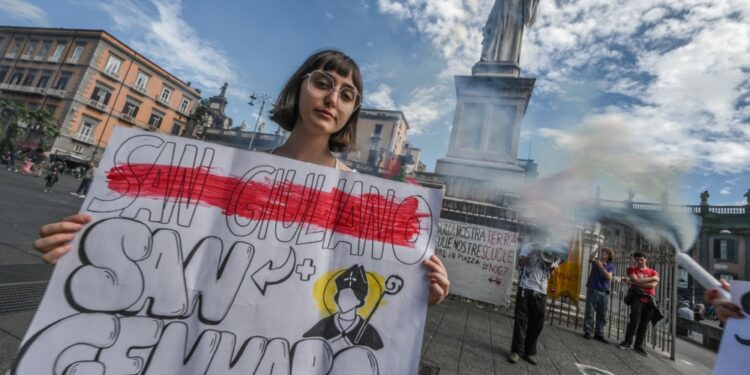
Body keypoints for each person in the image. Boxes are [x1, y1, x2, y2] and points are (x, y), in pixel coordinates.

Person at [31, 49, 450, 307]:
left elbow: (370, 287)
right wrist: (84, 244)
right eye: (323, 83)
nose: (331, 98)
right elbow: (169, 253)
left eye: (346, 94)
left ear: (351, 112)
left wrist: (415, 294)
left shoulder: (357, 195)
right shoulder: (235, 172)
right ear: (298, 88)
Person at [304, 265, 383, 353]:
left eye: (350, 296)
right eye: (342, 296)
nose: (344, 300)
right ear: (337, 298)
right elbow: (306, 343)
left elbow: (378, 353)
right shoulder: (325, 324)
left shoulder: (368, 331)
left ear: (359, 301)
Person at [508, 242, 562, 365]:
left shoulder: (553, 250)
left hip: (541, 290)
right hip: (525, 287)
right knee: (520, 320)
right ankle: (516, 351)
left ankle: (529, 352)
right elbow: (521, 263)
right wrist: (534, 253)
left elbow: (551, 271)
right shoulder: (528, 246)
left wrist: (547, 259)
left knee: (537, 322)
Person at [618, 251, 659, 357]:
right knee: (634, 320)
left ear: (645, 259)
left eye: (641, 259)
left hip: (650, 299)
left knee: (644, 324)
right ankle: (627, 342)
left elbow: (653, 286)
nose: (639, 261)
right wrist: (650, 279)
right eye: (637, 260)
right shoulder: (632, 269)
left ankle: (638, 345)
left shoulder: (653, 271)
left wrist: (633, 282)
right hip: (637, 297)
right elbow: (639, 280)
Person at [583, 247, 615, 343]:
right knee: (590, 310)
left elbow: (609, 277)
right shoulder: (595, 261)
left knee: (602, 313)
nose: (603, 254)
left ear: (609, 256)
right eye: (602, 252)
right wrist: (597, 249)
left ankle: (599, 333)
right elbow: (590, 258)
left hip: (604, 291)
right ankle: (588, 331)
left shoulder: (611, 266)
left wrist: (601, 266)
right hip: (593, 288)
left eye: (605, 253)